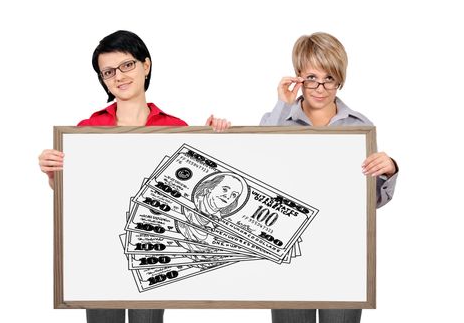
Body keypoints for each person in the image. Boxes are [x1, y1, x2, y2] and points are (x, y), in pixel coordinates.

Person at [38, 30, 230, 323]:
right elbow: (76, 195)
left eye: (127, 65)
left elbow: (194, 195)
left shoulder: (175, 128)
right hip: (100, 250)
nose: (119, 76)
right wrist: (53, 174)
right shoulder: (87, 129)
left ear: (146, 66)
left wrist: (211, 138)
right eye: (108, 71)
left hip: (154, 248)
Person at [260, 32, 398, 323]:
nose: (320, 88)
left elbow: (369, 202)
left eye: (329, 78)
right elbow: (263, 171)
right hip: (288, 254)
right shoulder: (276, 118)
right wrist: (282, 106)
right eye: (311, 77)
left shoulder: (360, 127)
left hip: (342, 257)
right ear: (298, 77)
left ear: (340, 79)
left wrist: (388, 170)